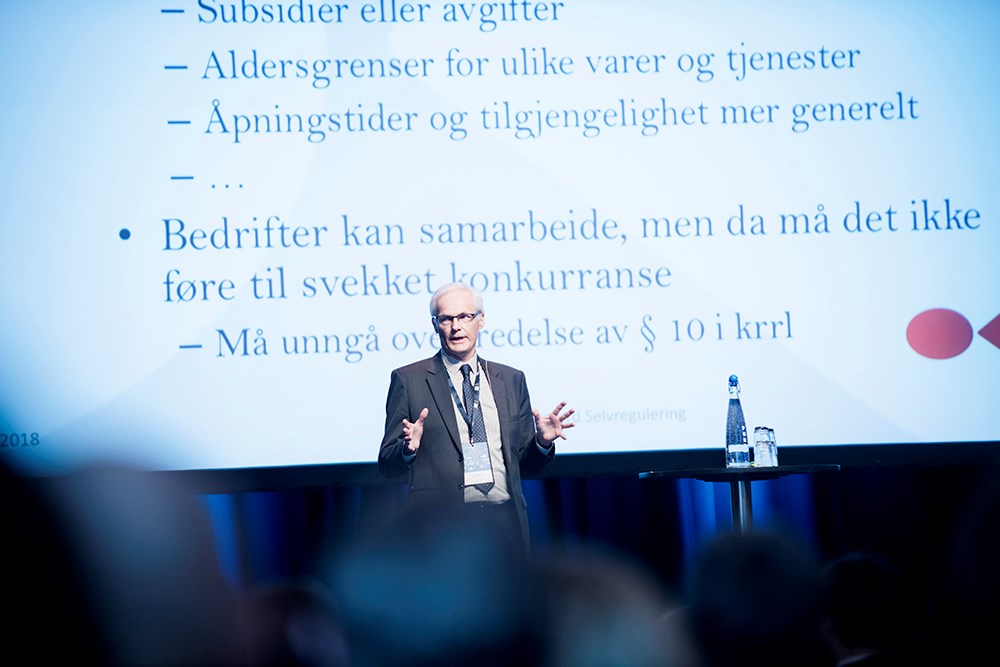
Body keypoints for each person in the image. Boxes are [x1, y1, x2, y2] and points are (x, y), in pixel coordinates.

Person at [378, 282, 574, 549]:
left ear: (480, 320)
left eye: (464, 316)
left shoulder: (510, 379)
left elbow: (526, 466)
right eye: (446, 318)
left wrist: (542, 442)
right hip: (443, 526)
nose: (456, 326)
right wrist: (407, 450)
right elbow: (387, 466)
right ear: (435, 325)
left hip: (505, 521)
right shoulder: (408, 380)